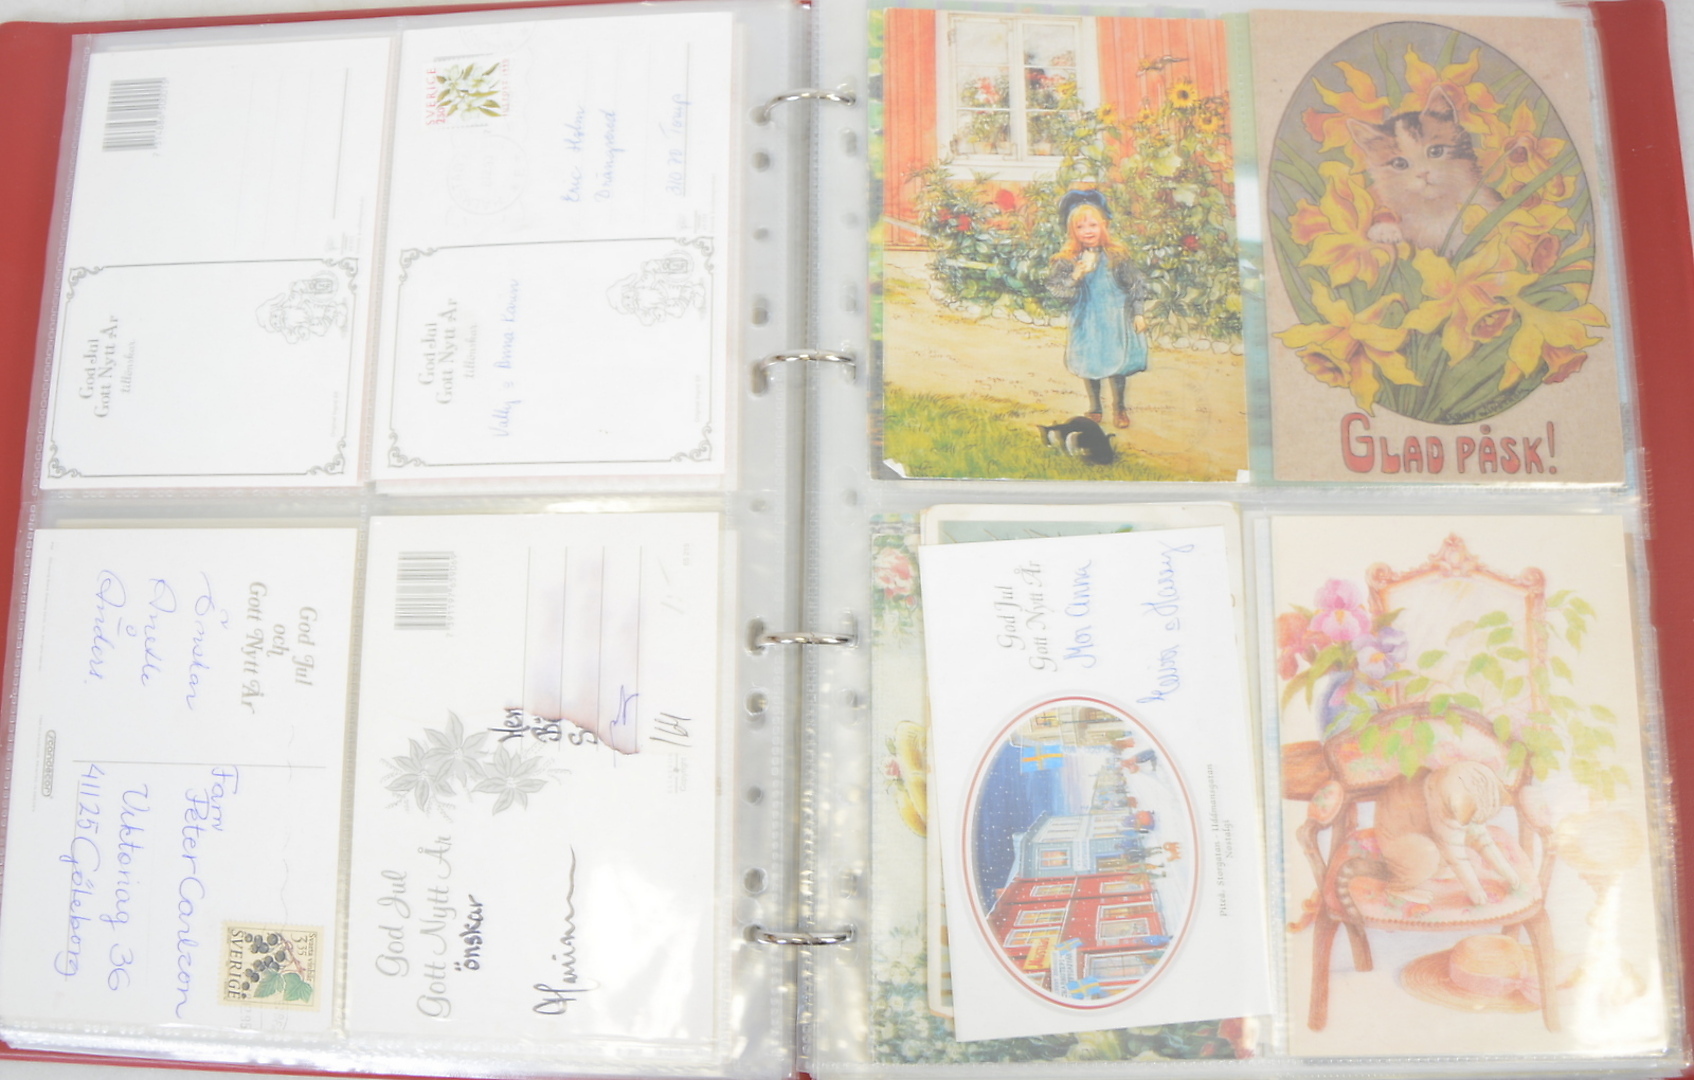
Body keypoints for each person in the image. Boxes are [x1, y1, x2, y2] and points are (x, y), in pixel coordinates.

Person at [1046, 188, 1150, 429]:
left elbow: (1135, 284)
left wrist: (1139, 313)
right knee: (1090, 360)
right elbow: (1056, 291)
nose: (1088, 231)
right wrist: (1075, 276)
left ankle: (1120, 406)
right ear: (1072, 231)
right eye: (1080, 227)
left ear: (1103, 225)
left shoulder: (1117, 256)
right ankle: (1095, 407)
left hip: (1115, 318)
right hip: (1087, 319)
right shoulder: (1068, 259)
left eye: (1093, 225)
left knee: (1116, 362)